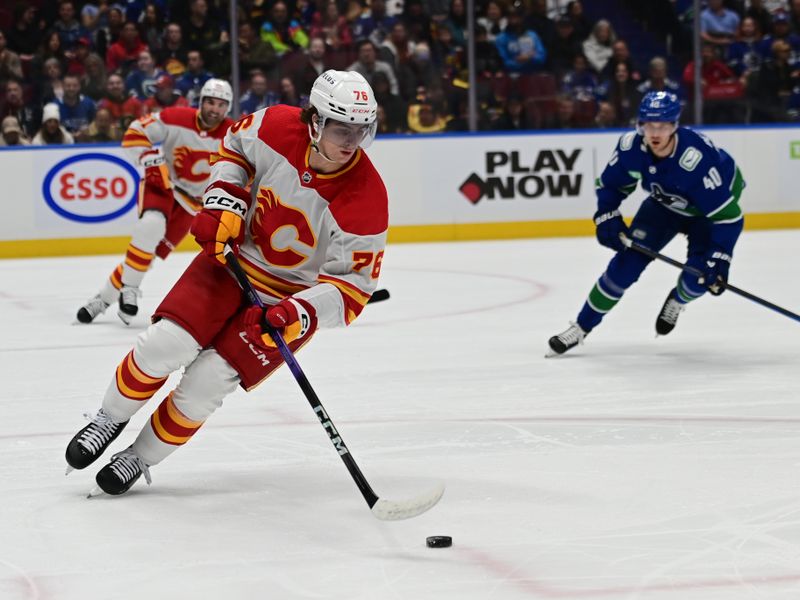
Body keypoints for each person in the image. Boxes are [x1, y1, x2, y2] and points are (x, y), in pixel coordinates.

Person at [65, 70, 388, 496]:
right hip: (231, 259)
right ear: (314, 121)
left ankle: (139, 456)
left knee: (206, 385)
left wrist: (300, 312)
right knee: (165, 344)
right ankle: (109, 416)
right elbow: (234, 150)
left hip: (284, 300)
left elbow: (352, 289)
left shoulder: (367, 197)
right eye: (341, 128)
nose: (351, 141)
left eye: (361, 130)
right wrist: (224, 202)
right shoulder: (274, 125)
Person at [547, 91, 745, 356]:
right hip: (664, 206)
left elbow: (728, 218)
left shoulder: (695, 161)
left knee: (697, 279)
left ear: (675, 125)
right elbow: (612, 185)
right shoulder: (632, 148)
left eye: (662, 126)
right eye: (649, 125)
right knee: (624, 267)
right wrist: (607, 213)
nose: (655, 133)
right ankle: (581, 327)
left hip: (705, 215)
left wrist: (721, 257)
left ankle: (678, 298)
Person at [75, 79, 234, 325]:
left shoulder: (234, 134)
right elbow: (135, 133)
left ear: (228, 108)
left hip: (193, 204)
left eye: (221, 105)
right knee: (150, 226)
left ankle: (105, 298)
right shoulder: (175, 117)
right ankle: (129, 290)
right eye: (210, 102)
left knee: (146, 256)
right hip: (163, 184)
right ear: (200, 101)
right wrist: (150, 158)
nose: (215, 109)